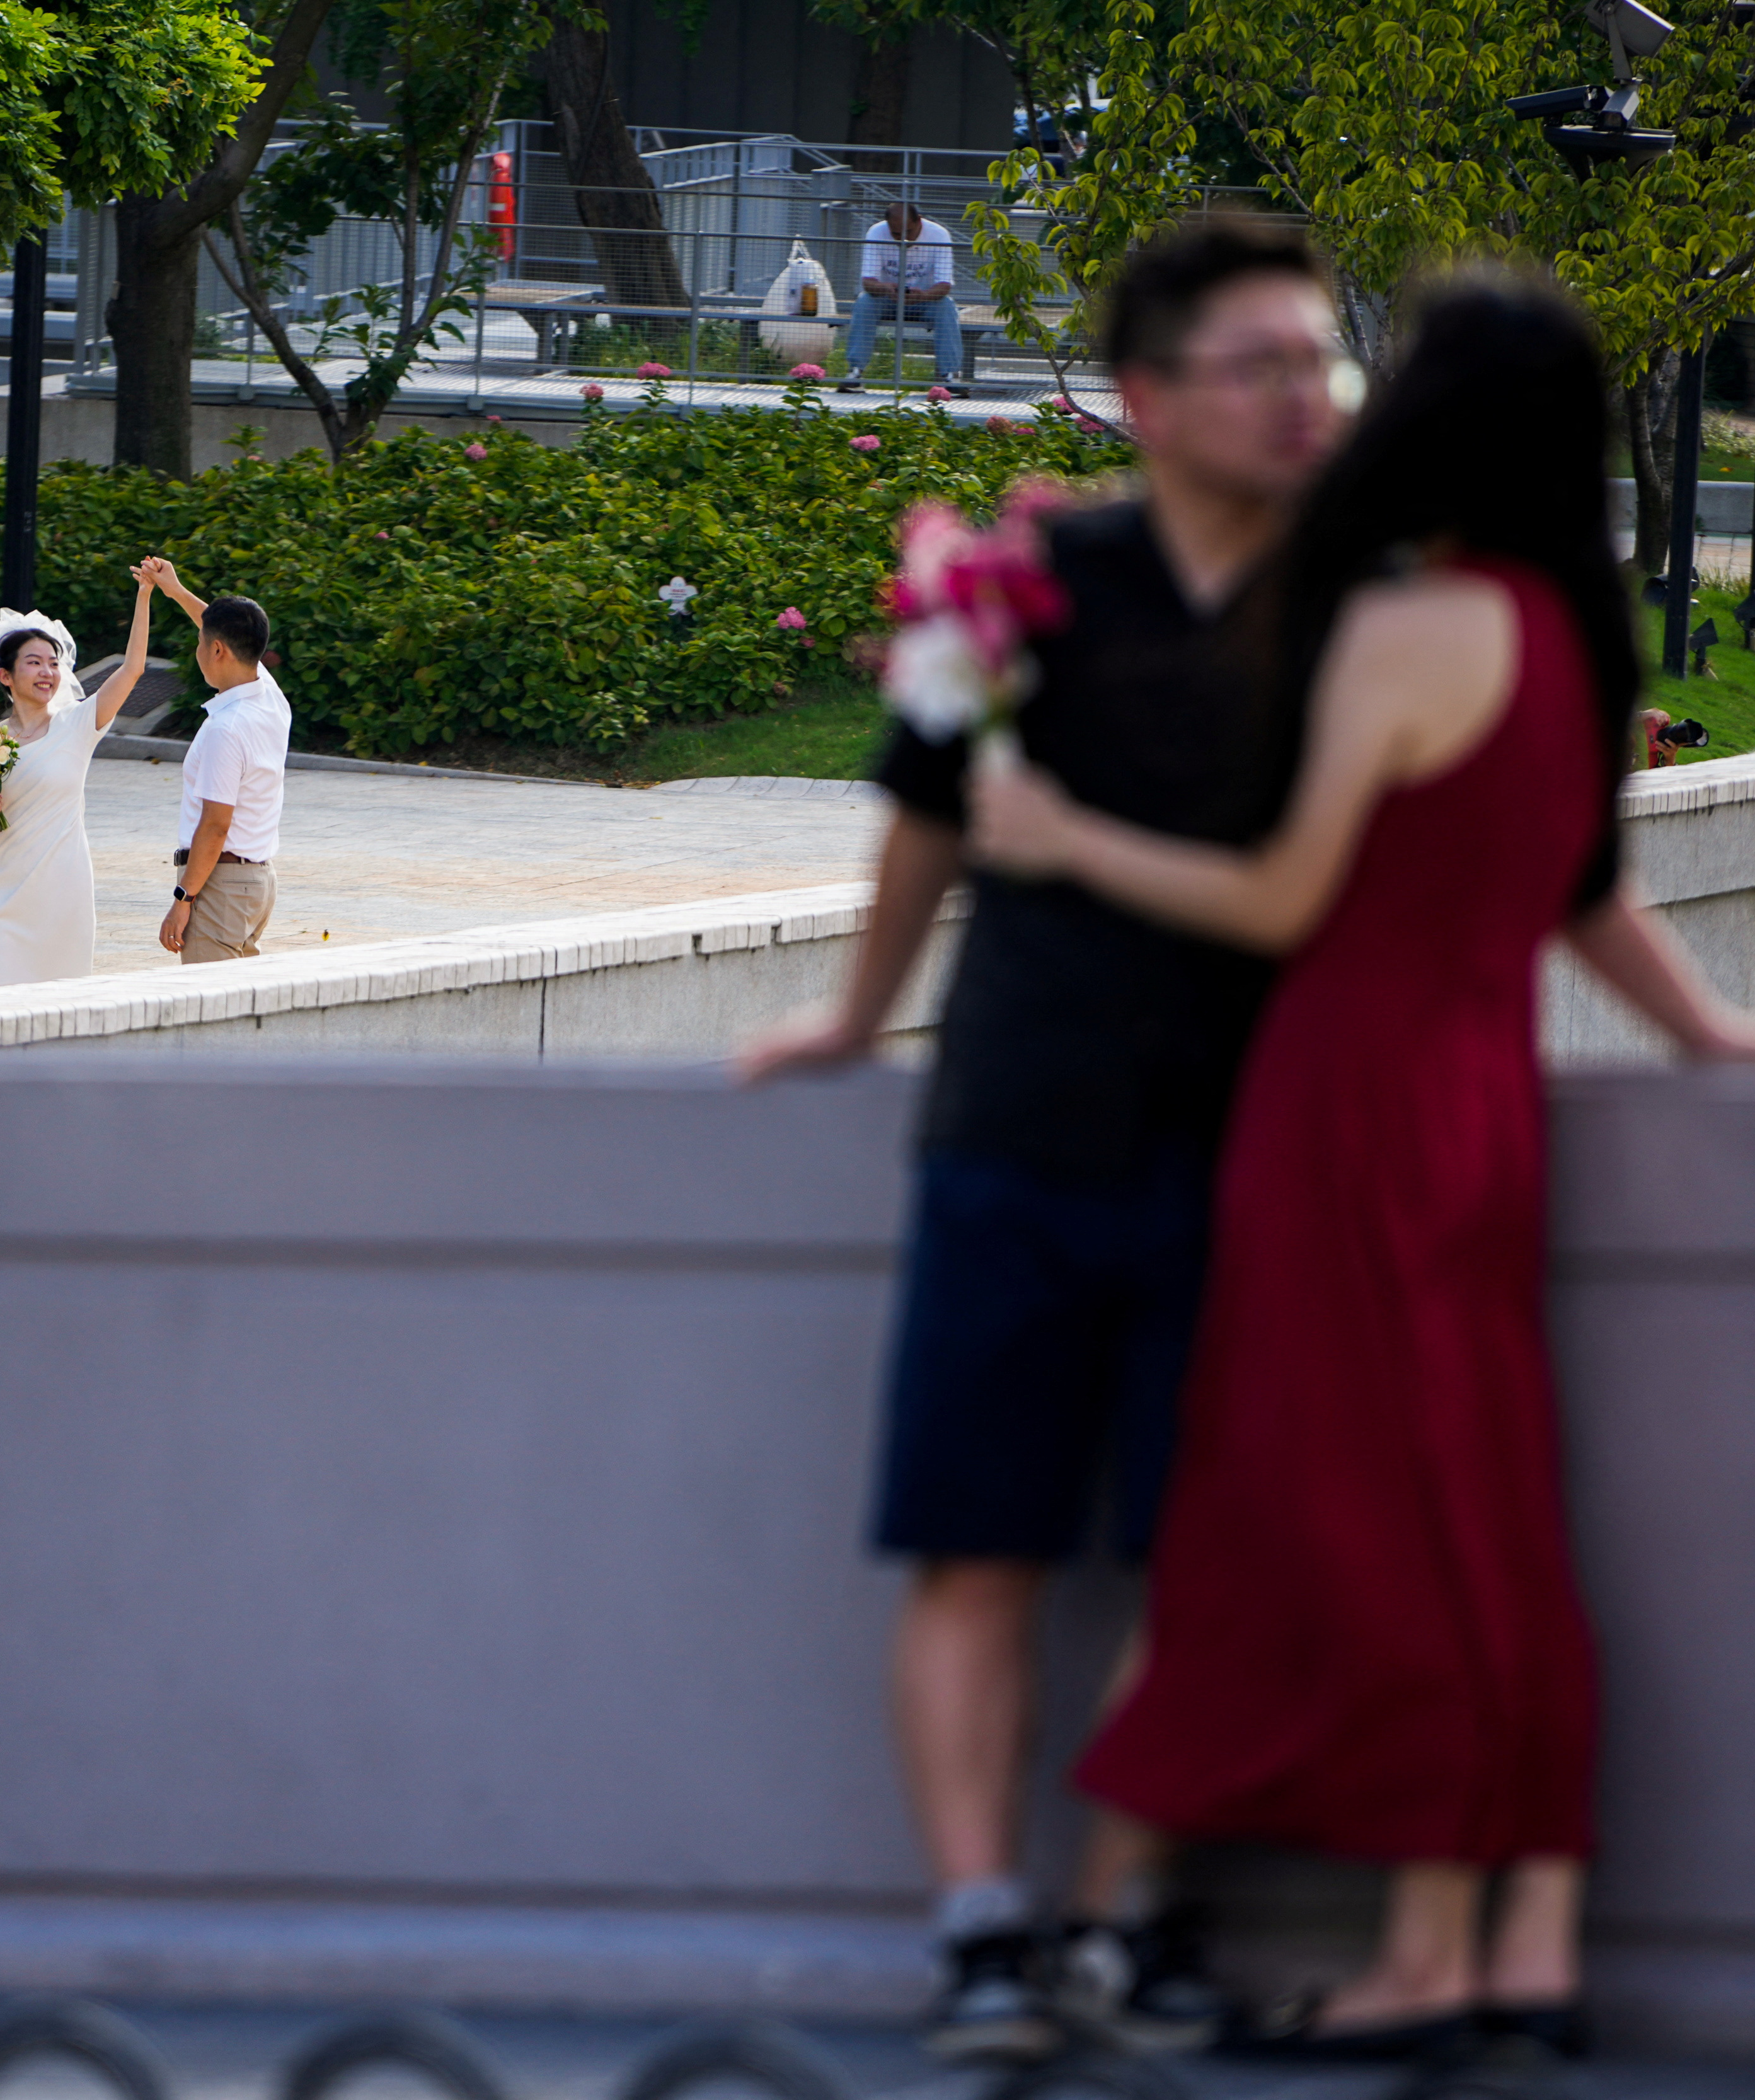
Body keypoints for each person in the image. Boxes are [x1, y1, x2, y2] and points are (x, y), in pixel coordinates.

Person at [964, 267, 1755, 2063]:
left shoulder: (1407, 627)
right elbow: (1583, 889)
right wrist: (1710, 1033)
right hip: (1484, 1109)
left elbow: (1288, 898)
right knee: (1494, 1511)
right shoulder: (1575, 633)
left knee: (1361, 1526)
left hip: (1345, 1111)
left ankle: (1426, 1952)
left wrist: (1062, 831)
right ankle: (1527, 1934)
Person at [742, 217, 1352, 2059]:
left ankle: (1115, 1915)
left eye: (1317, 363)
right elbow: (925, 819)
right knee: (978, 1543)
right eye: (1257, 366)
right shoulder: (1032, 584)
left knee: (1206, 1558)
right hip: (1014, 1122)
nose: (1298, 400)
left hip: (1245, 1148)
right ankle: (982, 1932)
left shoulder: (1350, 605)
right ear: (1149, 398)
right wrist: (853, 1021)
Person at [0, 561, 168, 987]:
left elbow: (132, 670)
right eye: (33, 663)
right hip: (7, 893)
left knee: (62, 1003)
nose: (47, 672)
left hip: (65, 890)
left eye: (53, 663)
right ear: (5, 674)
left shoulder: (78, 723)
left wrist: (144, 596)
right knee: (0, 1003)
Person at [144, 560, 289, 965]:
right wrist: (175, 591)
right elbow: (223, 628)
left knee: (209, 1013)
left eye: (201, 642)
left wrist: (183, 898)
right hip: (255, 882)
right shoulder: (270, 697)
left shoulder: (227, 727)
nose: (198, 649)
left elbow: (215, 824)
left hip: (221, 886)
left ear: (217, 650)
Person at [837, 202, 967, 398]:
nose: (903, 240)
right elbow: (868, 282)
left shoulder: (939, 235)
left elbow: (945, 285)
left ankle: (951, 377)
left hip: (925, 300)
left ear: (919, 221)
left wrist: (923, 296)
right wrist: (886, 288)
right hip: (887, 299)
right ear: (888, 225)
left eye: (908, 232)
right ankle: (855, 373)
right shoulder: (876, 233)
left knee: (947, 307)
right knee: (864, 303)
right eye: (896, 234)